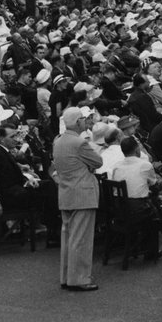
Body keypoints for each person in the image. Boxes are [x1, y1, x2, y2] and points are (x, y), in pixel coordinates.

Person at [53, 108, 103, 291]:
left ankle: (67, 276)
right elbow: (98, 162)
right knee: (81, 239)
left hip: (66, 192)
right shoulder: (79, 142)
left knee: (68, 238)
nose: (85, 121)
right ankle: (80, 278)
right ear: (77, 122)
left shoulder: (58, 141)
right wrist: (88, 167)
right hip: (83, 193)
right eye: (83, 119)